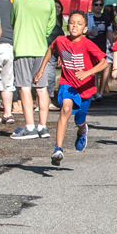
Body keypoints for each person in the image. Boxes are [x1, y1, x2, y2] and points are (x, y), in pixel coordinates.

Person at [34, 12, 109, 165]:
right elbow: (50, 49)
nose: (75, 26)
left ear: (85, 29)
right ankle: (58, 149)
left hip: (85, 88)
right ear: (68, 25)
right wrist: (41, 70)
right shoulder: (61, 40)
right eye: (72, 22)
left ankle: (82, 131)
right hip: (67, 83)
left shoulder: (87, 44)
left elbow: (104, 62)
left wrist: (88, 72)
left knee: (79, 122)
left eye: (79, 23)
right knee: (65, 109)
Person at [9, 0, 56, 140]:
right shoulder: (49, 1)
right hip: (40, 48)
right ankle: (42, 126)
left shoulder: (19, 0)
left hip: (22, 47)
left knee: (25, 88)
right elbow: (50, 27)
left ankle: (30, 126)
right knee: (42, 88)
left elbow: (13, 20)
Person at [87, 0, 114, 101]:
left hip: (101, 45)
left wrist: (112, 44)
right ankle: (91, 91)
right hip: (90, 44)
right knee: (90, 68)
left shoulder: (106, 18)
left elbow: (109, 31)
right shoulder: (88, 16)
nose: (98, 7)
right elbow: (82, 29)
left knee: (97, 69)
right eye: (96, 5)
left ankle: (96, 91)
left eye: (100, 5)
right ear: (92, 6)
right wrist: (89, 32)